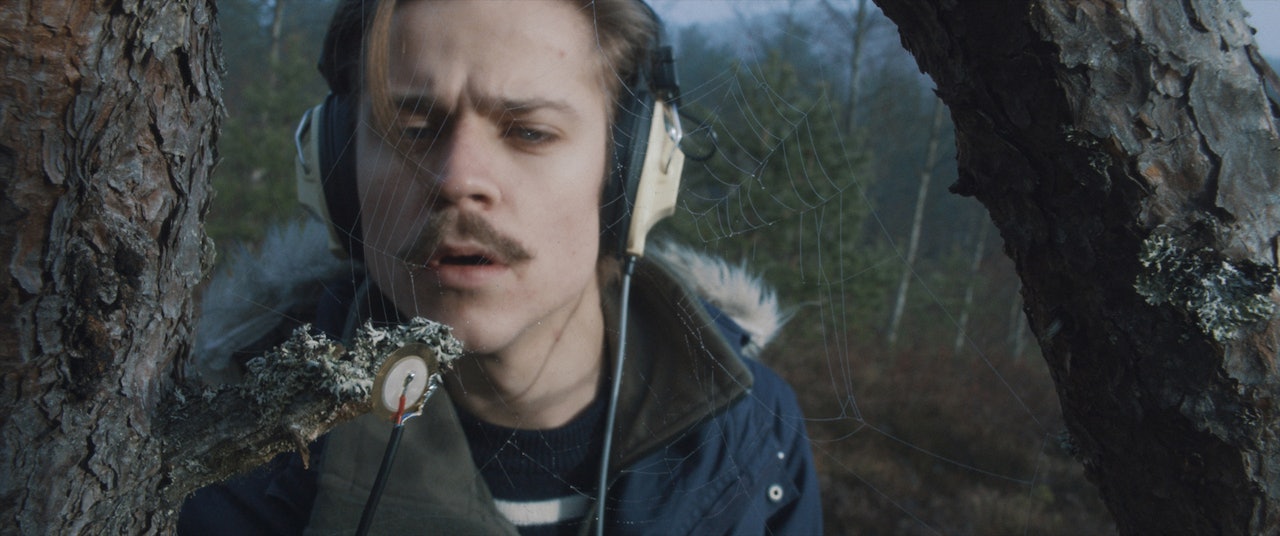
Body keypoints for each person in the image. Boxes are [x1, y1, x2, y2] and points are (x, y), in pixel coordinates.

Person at [180, 0, 821, 534]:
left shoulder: (757, 438)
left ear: (634, 172)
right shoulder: (230, 455)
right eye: (411, 128)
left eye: (529, 132)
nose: (458, 179)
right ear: (333, 170)